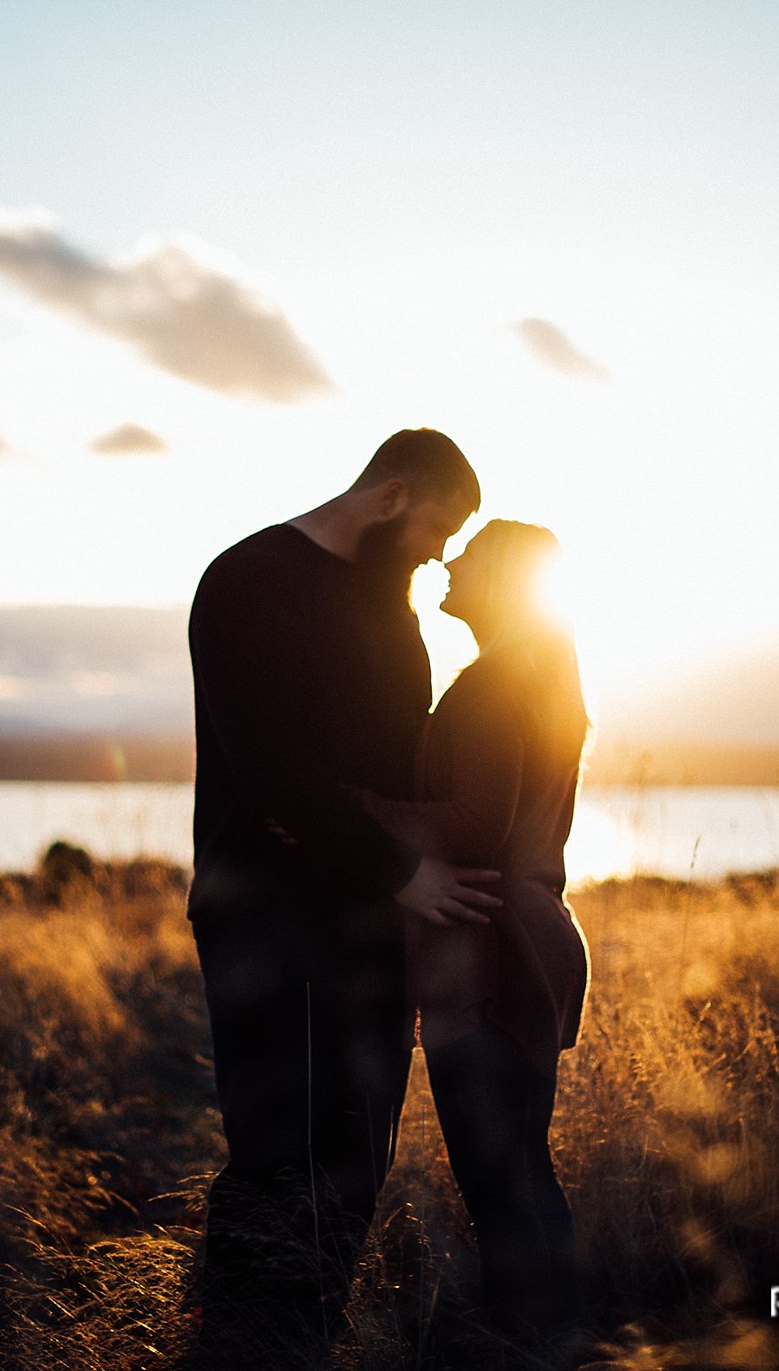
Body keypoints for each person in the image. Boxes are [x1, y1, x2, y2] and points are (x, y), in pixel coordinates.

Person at [185, 428, 502, 1360]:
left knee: (361, 1153)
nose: (438, 557)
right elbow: (271, 764)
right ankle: (239, 1345)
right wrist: (401, 865)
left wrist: (361, 830)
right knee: (275, 1152)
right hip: (264, 919)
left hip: (369, 925)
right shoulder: (247, 580)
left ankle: (305, 1341)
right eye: (437, 532)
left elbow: (394, 767)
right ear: (392, 495)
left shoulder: (395, 616)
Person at [350, 519, 591, 1355]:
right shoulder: (536, 677)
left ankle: (532, 1340)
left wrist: (362, 811)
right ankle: (556, 1336)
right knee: (522, 1168)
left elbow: (476, 821)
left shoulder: (494, 685)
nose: (451, 561)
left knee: (501, 1181)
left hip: (491, 955)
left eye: (474, 555)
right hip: (529, 944)